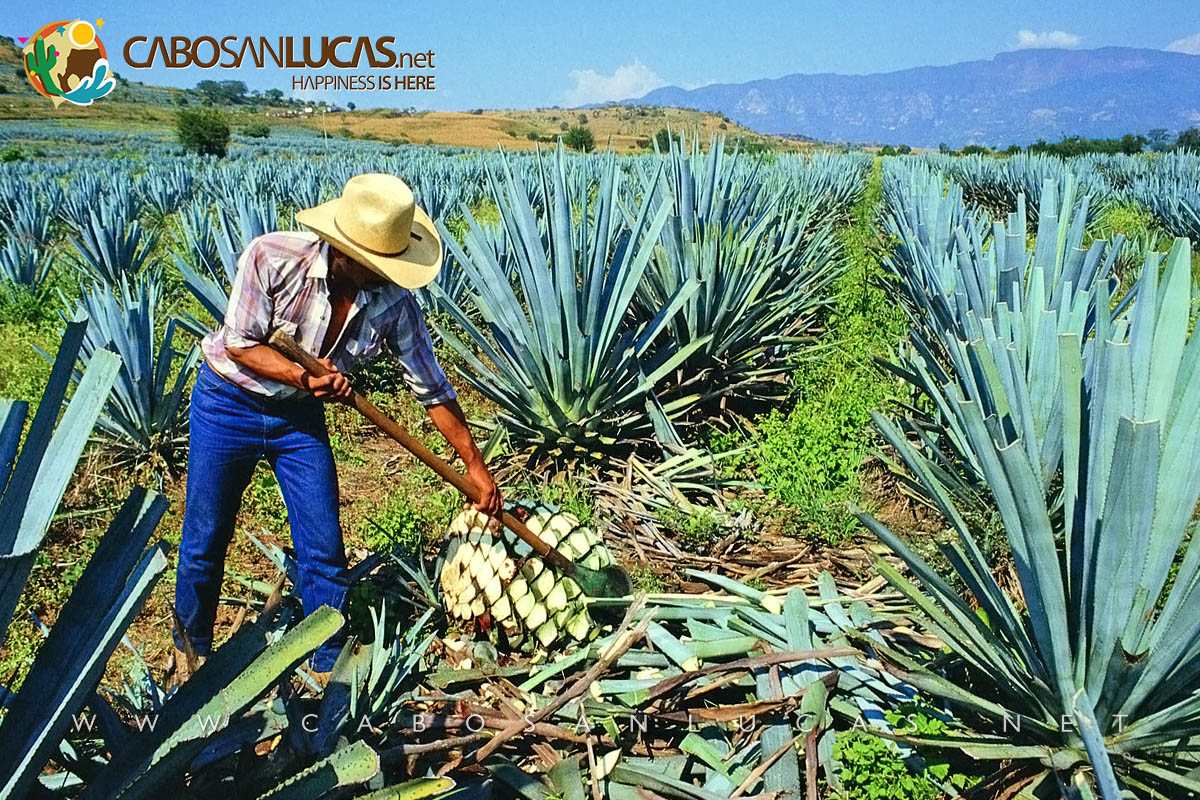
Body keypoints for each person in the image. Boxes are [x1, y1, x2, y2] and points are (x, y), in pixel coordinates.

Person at [172, 172, 501, 677]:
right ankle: (190, 655)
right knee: (206, 536)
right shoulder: (272, 257)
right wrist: (306, 377)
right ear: (343, 251)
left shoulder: (395, 303)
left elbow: (433, 389)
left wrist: (474, 466)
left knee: (323, 545)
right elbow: (240, 343)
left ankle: (326, 666)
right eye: (376, 267)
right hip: (228, 403)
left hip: (297, 419)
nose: (388, 276)